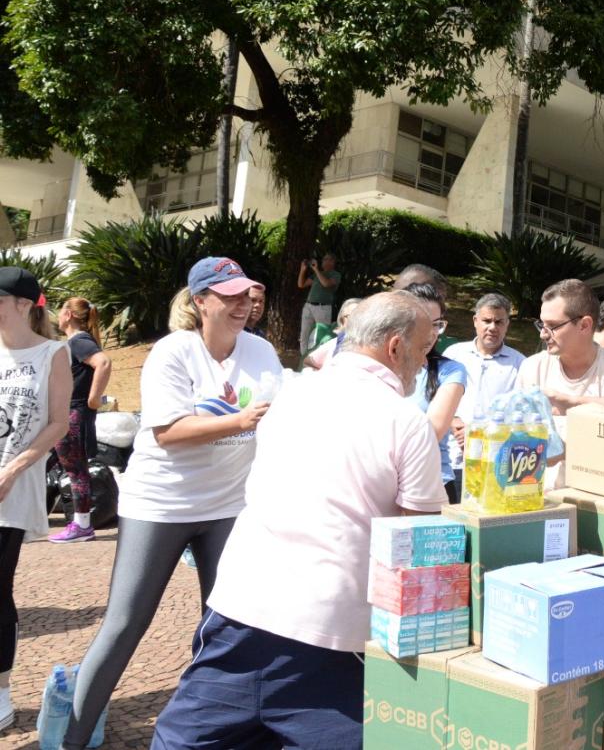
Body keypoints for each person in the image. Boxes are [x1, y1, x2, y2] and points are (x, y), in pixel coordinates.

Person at [150, 292, 446, 748]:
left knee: (186, 739)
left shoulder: (290, 394)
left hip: (242, 604)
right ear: (394, 347)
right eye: (424, 349)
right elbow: (417, 544)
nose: (426, 363)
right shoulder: (406, 422)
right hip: (333, 628)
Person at [64, 257, 281, 749]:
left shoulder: (261, 351)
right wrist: (241, 420)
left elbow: (279, 417)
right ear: (200, 300)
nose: (241, 304)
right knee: (124, 625)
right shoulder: (173, 351)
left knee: (224, 625)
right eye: (228, 296)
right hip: (159, 504)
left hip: (228, 505)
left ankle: (207, 731)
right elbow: (169, 431)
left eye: (246, 294)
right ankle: (71, 739)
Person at [0, 268, 70, 730]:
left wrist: (11, 470)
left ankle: (1, 690)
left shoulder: (53, 353)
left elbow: (59, 422)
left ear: (24, 304)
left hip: (12, 488)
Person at [442, 293, 524, 502]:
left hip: (492, 463)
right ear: (475, 321)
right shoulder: (454, 354)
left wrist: (478, 433)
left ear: (507, 325)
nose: (492, 327)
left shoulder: (519, 364)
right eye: (487, 321)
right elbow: (435, 394)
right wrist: (453, 421)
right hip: (451, 459)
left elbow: (519, 414)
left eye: (499, 322)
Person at [519, 279, 604, 415]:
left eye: (553, 326)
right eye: (542, 324)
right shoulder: (532, 368)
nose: (543, 334)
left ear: (584, 325)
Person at [50, 297, 112, 544]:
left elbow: (103, 362)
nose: (57, 315)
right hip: (65, 413)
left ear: (69, 315)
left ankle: (82, 526)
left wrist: (94, 399)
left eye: (61, 310)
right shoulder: (75, 342)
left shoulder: (79, 341)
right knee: (41, 463)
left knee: (76, 470)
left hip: (72, 414)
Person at [402, 283, 468, 502]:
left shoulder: (450, 371)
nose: (431, 333)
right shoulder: (381, 367)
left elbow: (431, 433)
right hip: (381, 486)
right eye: (423, 324)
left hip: (432, 487)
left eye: (437, 324)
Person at [297, 252, 341, 353]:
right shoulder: (316, 274)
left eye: (328, 259)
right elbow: (301, 284)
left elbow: (326, 283)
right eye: (324, 259)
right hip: (308, 306)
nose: (325, 261)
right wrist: (302, 270)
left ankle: (320, 359)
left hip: (323, 308)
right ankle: (303, 359)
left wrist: (316, 269)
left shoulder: (335, 274)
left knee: (322, 335)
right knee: (304, 335)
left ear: (333, 262)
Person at [302, 297, 361, 371]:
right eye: (351, 316)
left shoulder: (373, 346)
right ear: (342, 322)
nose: (357, 320)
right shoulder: (333, 344)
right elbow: (308, 362)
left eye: (361, 316)